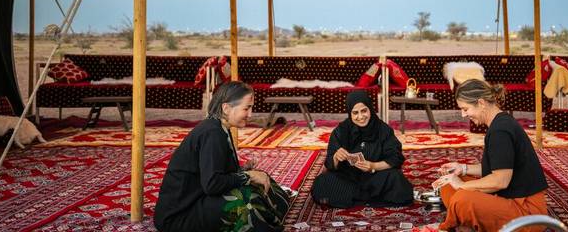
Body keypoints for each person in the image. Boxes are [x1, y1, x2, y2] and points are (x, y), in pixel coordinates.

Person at [154, 81, 289, 232]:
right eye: (247, 108)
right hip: (179, 216)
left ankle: (276, 214)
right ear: (226, 108)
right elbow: (212, 184)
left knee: (261, 180)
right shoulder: (213, 133)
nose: (250, 114)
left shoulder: (219, 127)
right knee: (245, 200)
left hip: (198, 200)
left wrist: (245, 172)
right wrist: (247, 176)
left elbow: (215, 172)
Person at [432, 79, 548, 232]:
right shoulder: (499, 123)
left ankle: (463, 221)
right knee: (447, 184)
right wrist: (463, 169)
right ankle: (469, 220)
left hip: (527, 213)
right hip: (509, 199)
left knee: (462, 199)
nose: (463, 115)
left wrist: (461, 185)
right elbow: (496, 168)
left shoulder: (500, 131)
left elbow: (500, 181)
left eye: (465, 109)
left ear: (481, 103)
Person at [311, 90, 413, 208]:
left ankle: (354, 198)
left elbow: (395, 158)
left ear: (370, 109)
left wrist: (373, 166)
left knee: (397, 179)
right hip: (348, 178)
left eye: (364, 111)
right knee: (322, 182)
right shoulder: (341, 130)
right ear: (350, 113)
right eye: (355, 113)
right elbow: (329, 164)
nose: (360, 117)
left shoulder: (383, 130)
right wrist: (336, 157)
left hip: (376, 177)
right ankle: (370, 198)